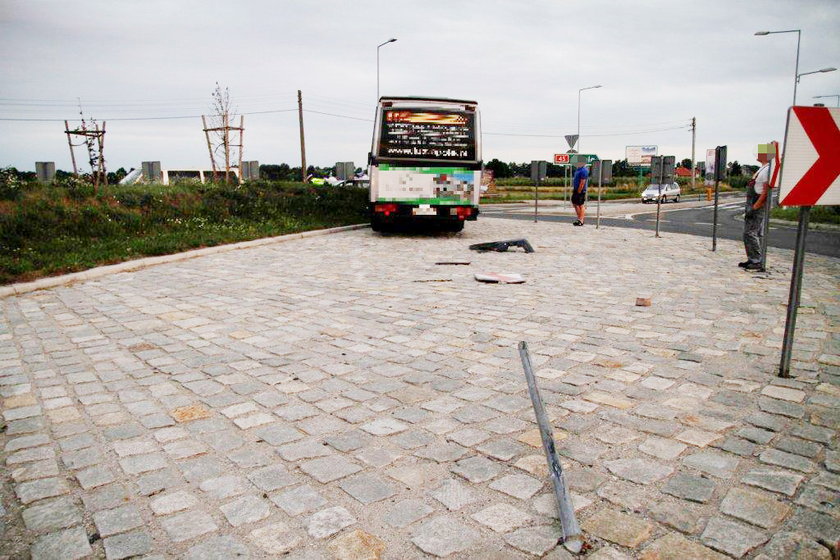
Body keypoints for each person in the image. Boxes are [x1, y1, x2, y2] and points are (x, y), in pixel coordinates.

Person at [740, 151, 771, 271]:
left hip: (756, 204)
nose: (757, 153)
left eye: (761, 151)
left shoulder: (768, 169)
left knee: (750, 233)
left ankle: (756, 260)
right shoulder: (762, 168)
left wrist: (755, 207)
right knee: (752, 232)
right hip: (753, 203)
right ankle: (752, 258)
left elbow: (766, 191)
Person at [571, 159, 589, 226]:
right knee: (575, 204)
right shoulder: (578, 170)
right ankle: (579, 219)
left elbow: (582, 182)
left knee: (580, 204)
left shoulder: (584, 170)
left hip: (580, 190)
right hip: (576, 189)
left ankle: (581, 220)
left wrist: (579, 190)